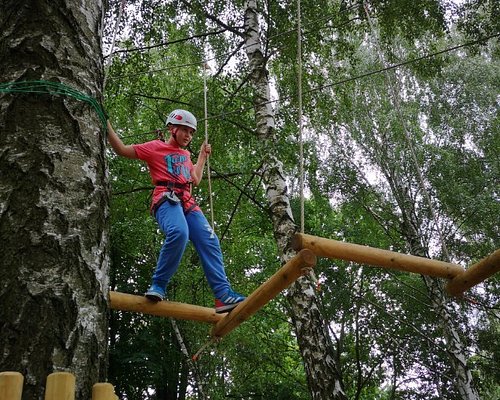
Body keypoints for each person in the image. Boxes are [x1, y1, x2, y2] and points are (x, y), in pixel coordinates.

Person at [106, 109, 246, 313]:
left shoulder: (186, 154)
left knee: (210, 240)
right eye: (184, 131)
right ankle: (158, 285)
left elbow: (195, 179)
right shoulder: (155, 148)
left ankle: (223, 296)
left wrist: (202, 157)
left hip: (187, 201)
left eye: (191, 132)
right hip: (166, 197)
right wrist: (107, 124)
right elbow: (121, 149)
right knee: (179, 232)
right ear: (172, 129)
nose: (188, 136)